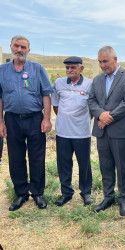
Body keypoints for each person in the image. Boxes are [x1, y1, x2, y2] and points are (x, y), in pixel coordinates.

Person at [0, 35, 54, 211]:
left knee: (37, 157)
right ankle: (21, 193)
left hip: (34, 119)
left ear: (28, 50)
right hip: (12, 120)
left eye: (23, 47)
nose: (20, 50)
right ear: (11, 47)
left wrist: (46, 119)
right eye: (17, 46)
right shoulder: (2, 70)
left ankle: (37, 193)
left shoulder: (37, 68)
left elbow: (46, 94)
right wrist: (1, 121)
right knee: (15, 158)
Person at [88, 46, 125, 216]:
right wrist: (101, 114)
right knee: (105, 165)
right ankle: (108, 197)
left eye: (105, 61)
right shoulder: (97, 79)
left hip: (120, 129)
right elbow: (91, 100)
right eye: (100, 62)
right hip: (102, 131)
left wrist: (109, 117)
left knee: (122, 166)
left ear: (115, 59)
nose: (102, 65)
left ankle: (123, 198)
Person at [51, 56, 93, 206]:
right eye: (67, 68)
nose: (69, 70)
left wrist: (82, 120)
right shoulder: (59, 83)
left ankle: (86, 192)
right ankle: (66, 193)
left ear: (81, 69)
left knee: (84, 164)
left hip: (82, 132)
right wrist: (66, 118)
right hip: (63, 132)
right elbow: (55, 106)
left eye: (73, 67)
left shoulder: (89, 84)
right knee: (63, 164)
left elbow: (92, 108)